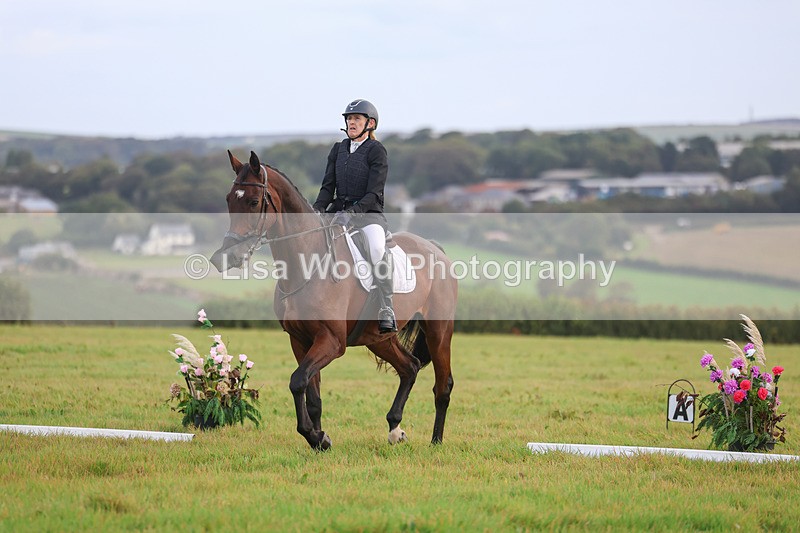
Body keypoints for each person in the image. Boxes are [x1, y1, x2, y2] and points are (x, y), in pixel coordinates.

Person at [312, 99, 397, 333]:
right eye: (349, 118)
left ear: (370, 124)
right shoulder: (338, 149)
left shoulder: (376, 151)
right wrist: (317, 209)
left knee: (377, 248)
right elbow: (328, 187)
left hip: (369, 214)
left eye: (357, 119)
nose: (351, 122)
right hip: (338, 212)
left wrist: (352, 213)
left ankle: (386, 306)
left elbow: (374, 192)